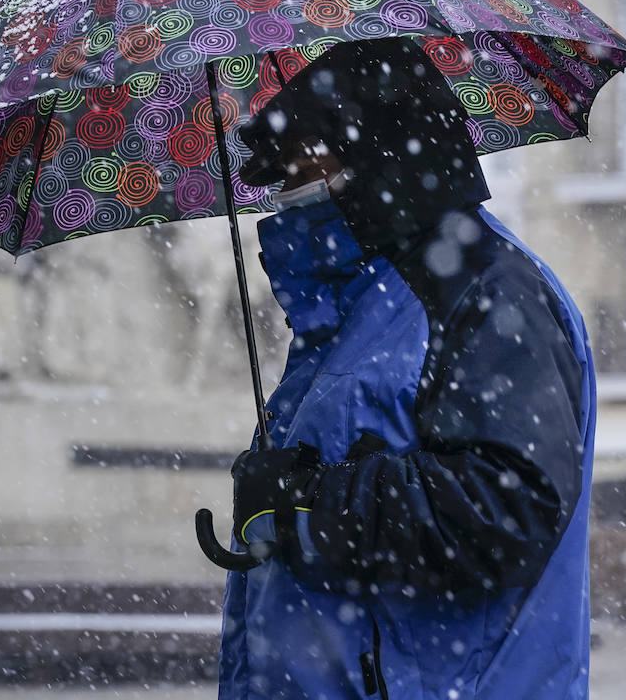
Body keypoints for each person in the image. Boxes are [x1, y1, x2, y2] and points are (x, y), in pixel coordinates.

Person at [217, 36, 596, 700]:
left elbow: (509, 508)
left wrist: (307, 503)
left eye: (307, 152)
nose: (283, 180)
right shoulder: (353, 305)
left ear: (375, 148)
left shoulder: (483, 291)